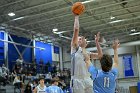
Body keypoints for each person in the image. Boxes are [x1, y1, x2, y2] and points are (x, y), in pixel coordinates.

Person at [71, 15, 102, 93]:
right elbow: (76, 30)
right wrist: (76, 16)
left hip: (88, 78)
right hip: (77, 79)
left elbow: (100, 55)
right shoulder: (74, 48)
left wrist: (97, 43)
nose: (80, 40)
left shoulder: (87, 53)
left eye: (82, 39)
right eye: (79, 39)